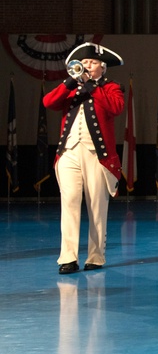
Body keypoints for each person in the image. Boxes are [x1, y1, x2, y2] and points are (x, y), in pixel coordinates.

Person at [44, 42, 124, 274]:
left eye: (92, 63)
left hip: (97, 155)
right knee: (69, 203)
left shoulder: (111, 88)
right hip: (68, 152)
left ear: (103, 68)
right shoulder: (70, 88)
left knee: (96, 207)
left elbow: (116, 107)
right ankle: (67, 258)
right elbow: (49, 102)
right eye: (84, 62)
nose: (86, 66)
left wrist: (92, 87)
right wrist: (69, 82)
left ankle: (96, 256)